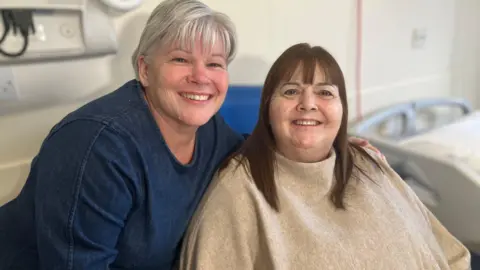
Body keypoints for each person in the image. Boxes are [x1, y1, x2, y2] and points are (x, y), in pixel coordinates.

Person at [0, 1, 380, 270]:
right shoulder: (99, 147)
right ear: (145, 70)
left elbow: (254, 145)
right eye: (181, 59)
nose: (200, 77)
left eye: (214, 63)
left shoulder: (210, 131)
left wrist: (328, 140)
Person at [178, 43, 471, 270]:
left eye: (325, 93)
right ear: (268, 108)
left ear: (342, 109)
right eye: (291, 91)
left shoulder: (370, 164)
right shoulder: (239, 192)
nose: (308, 104)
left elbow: (447, 253)